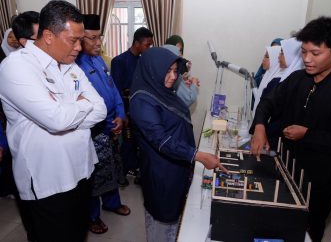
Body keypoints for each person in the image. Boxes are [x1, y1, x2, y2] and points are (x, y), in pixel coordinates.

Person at [0, 0, 107, 242]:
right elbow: (56, 120)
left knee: (77, 235)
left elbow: (100, 108)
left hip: (82, 170)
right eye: (74, 40)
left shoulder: (69, 64)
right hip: (48, 180)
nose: (79, 47)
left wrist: (69, 109)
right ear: (48, 36)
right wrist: (80, 104)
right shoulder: (16, 67)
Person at [250, 16, 331, 242]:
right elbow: (267, 103)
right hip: (284, 168)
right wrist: (259, 127)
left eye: (315, 53)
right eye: (303, 52)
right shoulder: (298, 78)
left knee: (307, 233)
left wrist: (308, 135)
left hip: (320, 182)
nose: (307, 59)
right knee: (273, 225)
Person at [129, 47, 227, 242]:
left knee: (175, 215)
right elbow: (161, 139)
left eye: (175, 71)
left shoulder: (162, 90)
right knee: (162, 219)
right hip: (161, 170)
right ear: (152, 69)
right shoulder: (141, 101)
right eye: (168, 71)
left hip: (176, 164)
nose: (174, 76)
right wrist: (198, 156)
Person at [76, 14, 130, 234]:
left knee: (113, 167)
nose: (98, 43)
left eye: (100, 37)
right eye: (92, 38)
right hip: (94, 130)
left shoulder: (98, 59)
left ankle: (112, 203)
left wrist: (120, 114)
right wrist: (109, 123)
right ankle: (92, 216)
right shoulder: (74, 65)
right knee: (95, 174)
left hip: (110, 127)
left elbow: (113, 88)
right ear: (79, 39)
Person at [111, 27, 154, 184]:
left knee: (140, 142)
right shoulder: (119, 61)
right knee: (127, 142)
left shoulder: (144, 61)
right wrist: (123, 113)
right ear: (137, 43)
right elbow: (115, 90)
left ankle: (137, 170)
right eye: (147, 44)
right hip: (126, 107)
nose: (149, 48)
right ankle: (121, 172)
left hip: (142, 109)